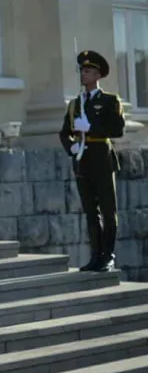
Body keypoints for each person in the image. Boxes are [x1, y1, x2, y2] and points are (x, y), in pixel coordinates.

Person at [59, 50, 125, 272]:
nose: (83, 74)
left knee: (108, 211)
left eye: (88, 71)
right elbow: (64, 133)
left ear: (98, 75)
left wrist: (91, 128)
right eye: (82, 71)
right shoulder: (75, 104)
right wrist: (72, 147)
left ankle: (108, 255)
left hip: (102, 160)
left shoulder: (109, 101)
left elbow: (117, 130)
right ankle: (95, 256)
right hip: (82, 161)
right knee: (90, 212)